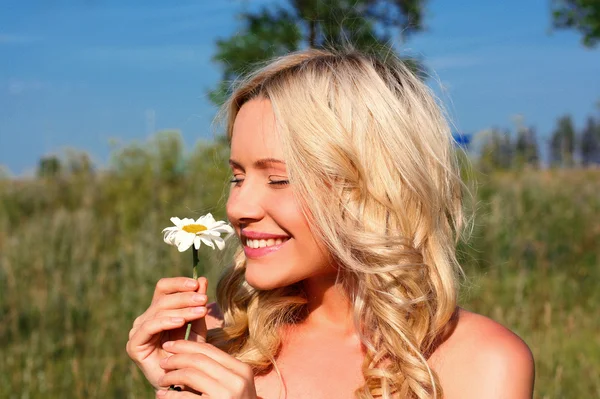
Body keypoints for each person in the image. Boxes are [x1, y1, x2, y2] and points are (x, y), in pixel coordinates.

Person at [126, 47, 535, 399]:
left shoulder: (482, 362)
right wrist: (175, 382)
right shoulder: (214, 336)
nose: (238, 206)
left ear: (374, 186)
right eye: (237, 176)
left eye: (279, 179)